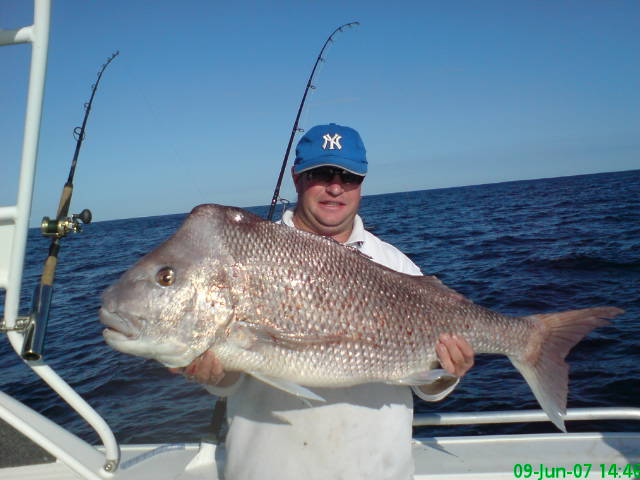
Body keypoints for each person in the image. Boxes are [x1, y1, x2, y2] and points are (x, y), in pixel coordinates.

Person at [173, 123, 474, 480]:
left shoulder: (397, 265)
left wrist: (447, 371)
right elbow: (229, 380)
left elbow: (428, 388)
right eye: (321, 174)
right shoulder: (247, 260)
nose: (335, 186)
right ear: (297, 178)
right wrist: (214, 375)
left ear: (362, 183)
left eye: (348, 176)